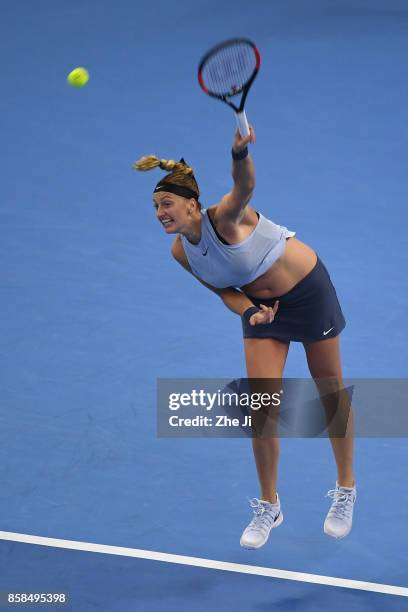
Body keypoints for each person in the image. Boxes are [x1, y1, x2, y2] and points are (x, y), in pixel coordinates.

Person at [133, 125, 356, 549]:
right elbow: (225, 291)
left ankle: (345, 489)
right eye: (156, 206)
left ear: (193, 205)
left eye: (168, 204)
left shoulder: (227, 217)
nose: (161, 212)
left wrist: (238, 153)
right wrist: (251, 312)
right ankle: (269, 504)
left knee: (330, 390)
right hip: (263, 311)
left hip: (308, 292)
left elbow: (246, 184)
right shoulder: (181, 251)